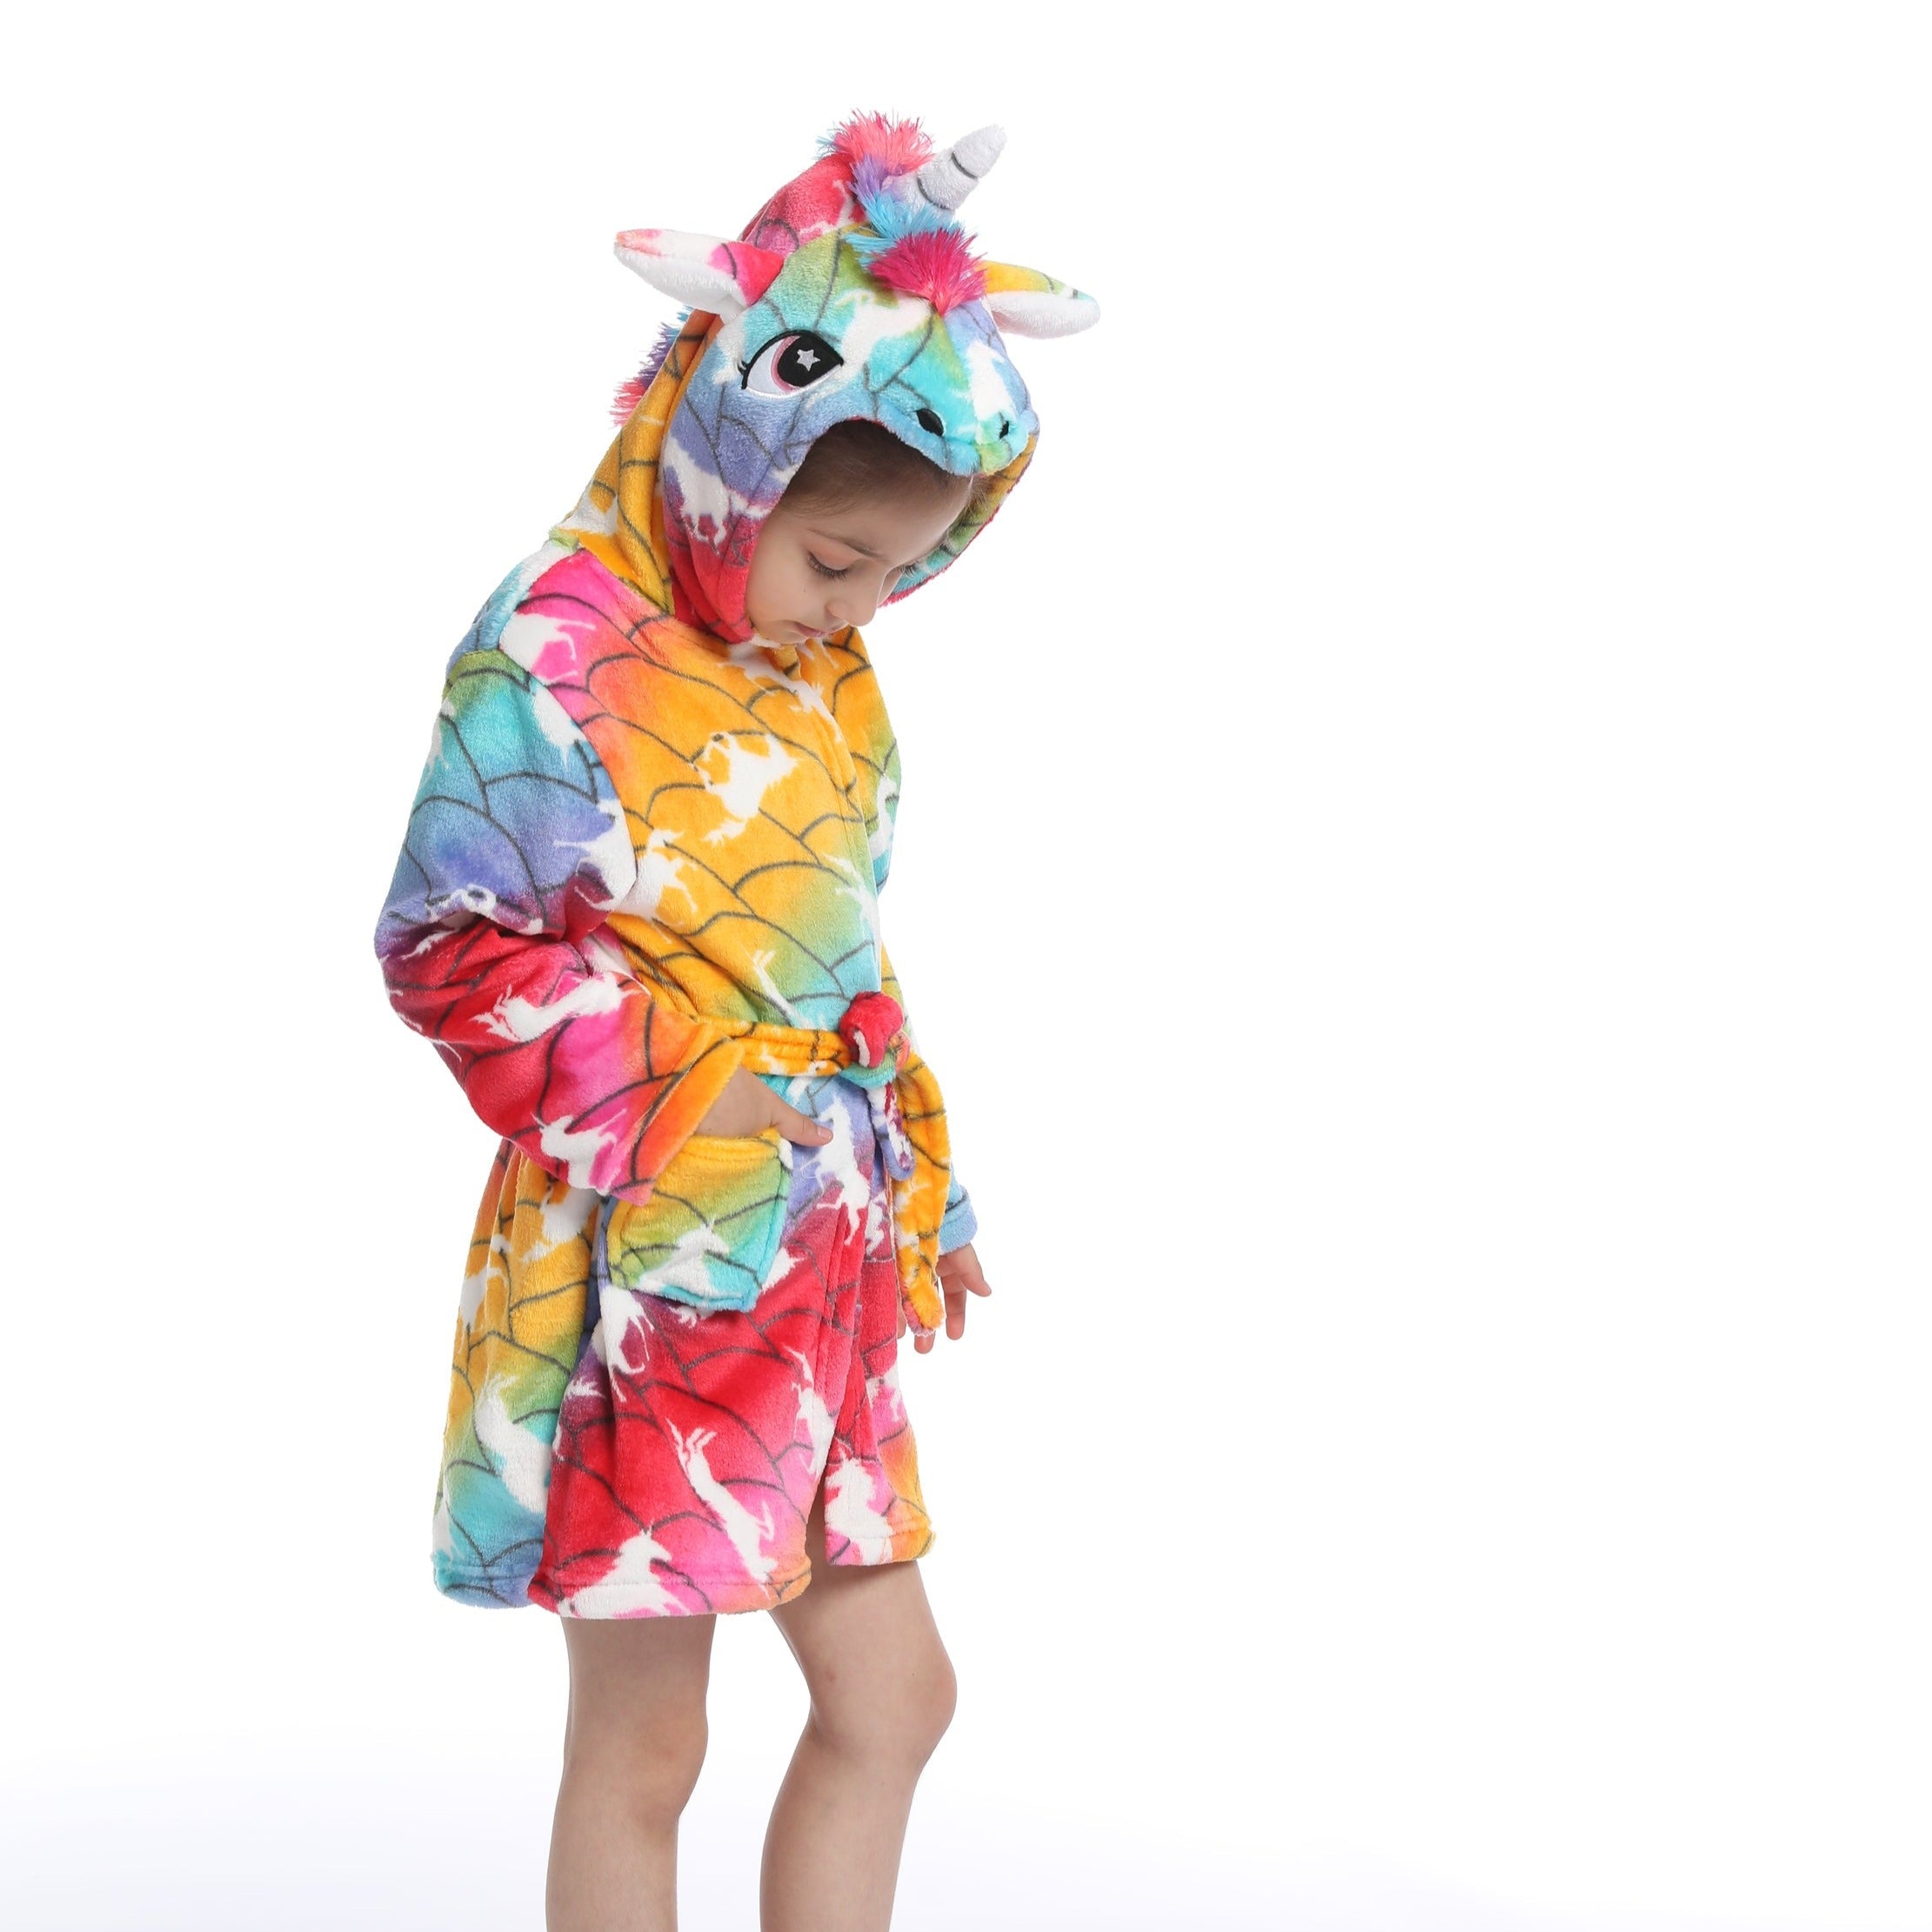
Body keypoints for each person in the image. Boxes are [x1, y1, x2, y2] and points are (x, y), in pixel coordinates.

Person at [371, 110, 1097, 1932]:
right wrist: (682, 1100)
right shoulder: (554, 650)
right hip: (653, 1258)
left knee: (896, 1697)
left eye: (900, 572)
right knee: (648, 1745)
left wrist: (920, 1181)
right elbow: (444, 942)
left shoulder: (821, 666)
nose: (858, 608)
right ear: (729, 458)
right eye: (838, 559)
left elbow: (834, 944)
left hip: (819, 1252)